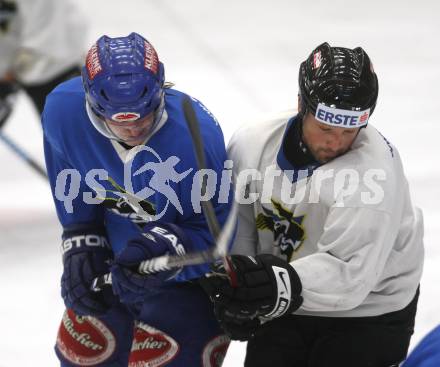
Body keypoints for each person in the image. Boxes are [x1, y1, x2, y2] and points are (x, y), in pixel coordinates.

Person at [200, 42, 424, 367]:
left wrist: (267, 285)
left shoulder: (373, 175)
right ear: (301, 105)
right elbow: (242, 225)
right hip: (289, 290)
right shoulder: (253, 142)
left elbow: (349, 279)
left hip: (372, 308)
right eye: (325, 128)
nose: (336, 142)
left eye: (350, 129)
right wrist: (240, 284)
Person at [43, 32, 231, 366]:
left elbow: (219, 239)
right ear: (90, 101)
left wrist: (163, 250)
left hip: (188, 282)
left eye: (144, 114)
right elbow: (70, 179)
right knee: (80, 355)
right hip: (113, 264)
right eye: (117, 119)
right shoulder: (63, 111)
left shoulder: (194, 136)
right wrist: (81, 240)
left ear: (162, 89)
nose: (134, 129)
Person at [0, 0, 86, 127]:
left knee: (72, 132)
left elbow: (46, 36)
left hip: (56, 68)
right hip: (14, 69)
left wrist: (11, 74)